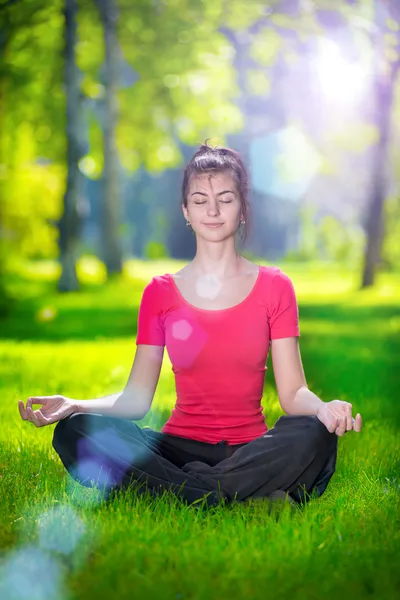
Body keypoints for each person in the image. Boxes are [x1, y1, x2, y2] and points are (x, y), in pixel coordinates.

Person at [18, 141, 363, 510]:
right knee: (78, 431)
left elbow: (293, 394)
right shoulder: (160, 292)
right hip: (176, 449)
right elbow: (135, 399)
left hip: (250, 450)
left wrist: (324, 407)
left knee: (316, 432)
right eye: (200, 200)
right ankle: (239, 495)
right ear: (186, 210)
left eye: (226, 199)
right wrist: (75, 404)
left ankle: (179, 493)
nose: (212, 210)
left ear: (242, 208)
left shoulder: (275, 287)